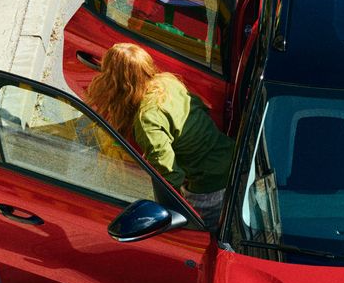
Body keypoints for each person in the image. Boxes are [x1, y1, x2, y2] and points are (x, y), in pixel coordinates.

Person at [86, 43, 234, 226]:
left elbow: (170, 176)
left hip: (209, 185)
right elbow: (200, 108)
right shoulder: (167, 81)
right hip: (230, 156)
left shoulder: (147, 119)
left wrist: (161, 215)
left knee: (192, 238)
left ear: (114, 81)